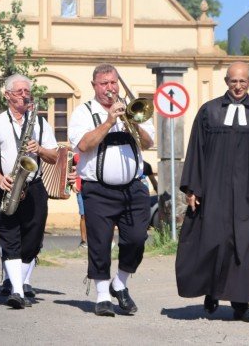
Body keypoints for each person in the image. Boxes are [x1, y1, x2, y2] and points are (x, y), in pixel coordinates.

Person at [176, 61, 249, 323]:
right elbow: (196, 152)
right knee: (213, 243)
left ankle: (241, 305)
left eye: (243, 81)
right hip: (214, 190)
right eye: (233, 81)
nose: (238, 86)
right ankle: (211, 292)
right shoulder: (209, 111)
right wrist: (193, 188)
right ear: (226, 82)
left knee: (244, 248)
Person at [67, 63, 155, 317]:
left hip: (134, 188)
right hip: (98, 189)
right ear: (94, 86)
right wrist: (108, 122)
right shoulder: (84, 112)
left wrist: (132, 121)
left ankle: (120, 283)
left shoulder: (132, 109)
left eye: (113, 82)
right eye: (104, 83)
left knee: (138, 238)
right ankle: (103, 295)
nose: (110, 88)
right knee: (99, 243)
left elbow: (149, 142)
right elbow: (83, 145)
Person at [0, 74, 58, 309]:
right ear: (7, 95)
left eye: (27, 91)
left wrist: (40, 149)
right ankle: (16, 290)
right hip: (5, 185)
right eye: (19, 91)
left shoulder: (40, 124)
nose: (25, 95)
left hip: (33, 187)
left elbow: (54, 156)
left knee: (32, 242)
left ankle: (20, 284)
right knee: (9, 237)